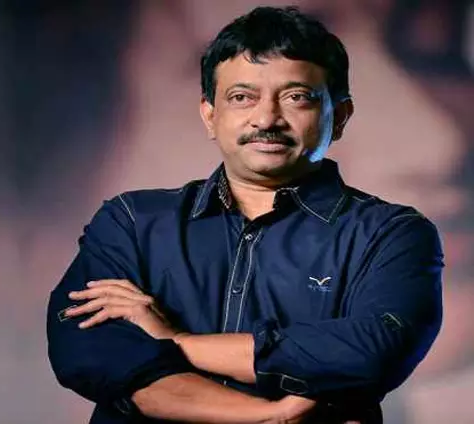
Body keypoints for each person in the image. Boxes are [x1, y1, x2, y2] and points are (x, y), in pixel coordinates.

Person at [47, 6, 443, 424]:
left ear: (339, 117)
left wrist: (176, 341)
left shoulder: (392, 234)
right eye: (242, 97)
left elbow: (371, 351)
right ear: (210, 115)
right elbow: (89, 352)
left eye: (296, 97)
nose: (267, 118)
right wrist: (270, 416)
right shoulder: (131, 221)